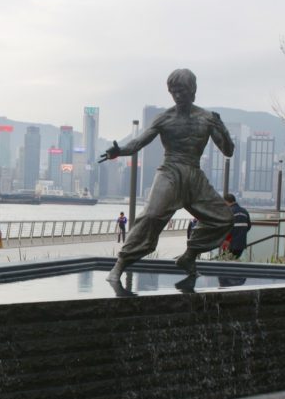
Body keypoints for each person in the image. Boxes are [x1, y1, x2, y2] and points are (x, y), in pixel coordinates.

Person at [101, 68, 234, 281]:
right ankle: (120, 264)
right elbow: (138, 142)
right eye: (174, 91)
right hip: (170, 172)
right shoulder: (164, 118)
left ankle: (189, 256)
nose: (178, 95)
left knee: (224, 218)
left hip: (194, 175)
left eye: (182, 90)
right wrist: (119, 151)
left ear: (193, 90)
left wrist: (222, 128)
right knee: (151, 216)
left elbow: (228, 151)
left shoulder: (207, 119)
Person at [223, 193, 251, 259]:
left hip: (230, 243)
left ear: (226, 201)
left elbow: (225, 228)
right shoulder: (244, 211)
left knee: (226, 261)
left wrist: (226, 240)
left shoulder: (229, 212)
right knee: (234, 259)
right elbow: (249, 226)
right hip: (241, 243)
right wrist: (241, 233)